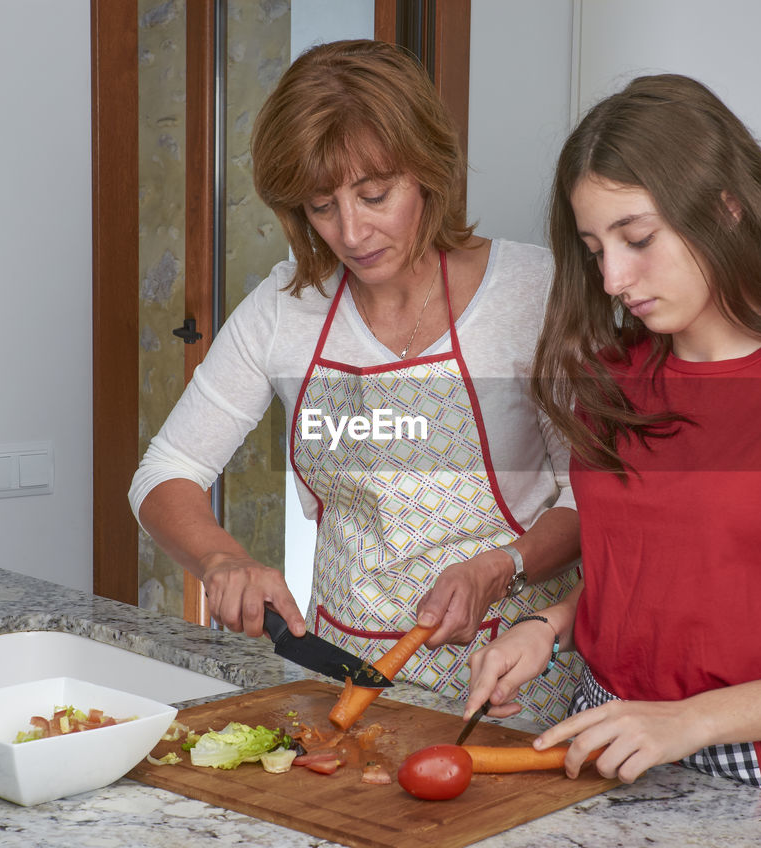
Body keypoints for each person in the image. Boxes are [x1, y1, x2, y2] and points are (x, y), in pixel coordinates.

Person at [463, 74, 761, 799]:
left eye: (637, 240)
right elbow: (656, 573)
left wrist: (688, 721)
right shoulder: (613, 377)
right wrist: (549, 623)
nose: (613, 279)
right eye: (597, 249)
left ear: (725, 209)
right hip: (603, 740)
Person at [128, 39, 582, 725]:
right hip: (342, 679)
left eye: (375, 195)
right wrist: (222, 559)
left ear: (428, 171)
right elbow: (166, 470)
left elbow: (595, 495)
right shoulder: (286, 308)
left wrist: (501, 567)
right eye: (321, 206)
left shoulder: (531, 292)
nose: (351, 232)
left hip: (509, 682)